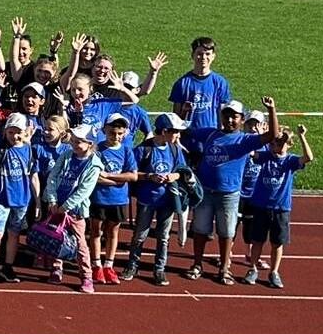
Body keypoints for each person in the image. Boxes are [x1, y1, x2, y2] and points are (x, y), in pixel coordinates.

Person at [185, 97, 277, 284]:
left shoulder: (245, 140)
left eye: (234, 117)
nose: (229, 120)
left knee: (226, 232)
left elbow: (271, 136)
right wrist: (184, 112)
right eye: (226, 116)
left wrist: (271, 110)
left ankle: (224, 268)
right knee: (200, 229)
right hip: (206, 192)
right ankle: (197, 264)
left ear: (241, 119)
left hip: (229, 194)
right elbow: (185, 131)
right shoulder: (211, 134)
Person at [123, 114, 189, 286]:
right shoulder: (143, 149)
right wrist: (150, 176)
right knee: (140, 235)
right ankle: (132, 265)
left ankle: (159, 269)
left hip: (167, 201)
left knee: (163, 236)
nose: (178, 136)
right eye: (176, 132)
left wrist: (173, 176)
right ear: (165, 131)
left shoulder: (175, 149)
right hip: (147, 200)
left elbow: (182, 171)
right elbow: (132, 172)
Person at [243, 123, 311, 289]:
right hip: (261, 206)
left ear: (288, 145)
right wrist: (260, 136)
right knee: (257, 240)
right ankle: (252, 268)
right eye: (273, 143)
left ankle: (274, 272)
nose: (275, 146)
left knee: (277, 243)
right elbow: (252, 152)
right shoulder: (266, 157)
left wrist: (302, 136)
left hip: (281, 208)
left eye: (279, 143)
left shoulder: (290, 161)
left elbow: (308, 157)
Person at [41, 123, 102, 292]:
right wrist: (52, 200)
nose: (74, 144)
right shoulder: (67, 155)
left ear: (89, 143)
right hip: (57, 206)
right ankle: (56, 267)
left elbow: (84, 190)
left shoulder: (94, 164)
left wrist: (66, 207)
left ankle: (86, 276)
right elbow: (53, 176)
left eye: (79, 142)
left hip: (75, 212)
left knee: (80, 243)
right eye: (73, 140)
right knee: (56, 238)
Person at [0, 111, 36, 283]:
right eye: (11, 132)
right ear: (5, 132)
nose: (14, 136)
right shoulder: (0, 148)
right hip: (3, 199)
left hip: (22, 200)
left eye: (18, 132)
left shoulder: (29, 150)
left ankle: (8, 267)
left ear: (25, 132)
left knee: (14, 234)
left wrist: (38, 200)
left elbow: (33, 176)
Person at [88, 114, 138, 285]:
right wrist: (117, 180)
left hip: (118, 200)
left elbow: (132, 176)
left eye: (119, 133)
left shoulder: (126, 150)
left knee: (113, 232)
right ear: (104, 131)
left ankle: (109, 265)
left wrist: (110, 176)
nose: (116, 136)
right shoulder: (97, 149)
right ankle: (96, 265)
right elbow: (94, 176)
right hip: (99, 198)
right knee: (96, 231)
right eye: (112, 133)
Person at [169, 37, 231, 134]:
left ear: (213, 56)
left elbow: (222, 113)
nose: (203, 57)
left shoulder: (220, 83)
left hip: (211, 137)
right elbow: (176, 118)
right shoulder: (182, 83)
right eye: (199, 54)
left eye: (207, 54)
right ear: (192, 55)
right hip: (188, 139)